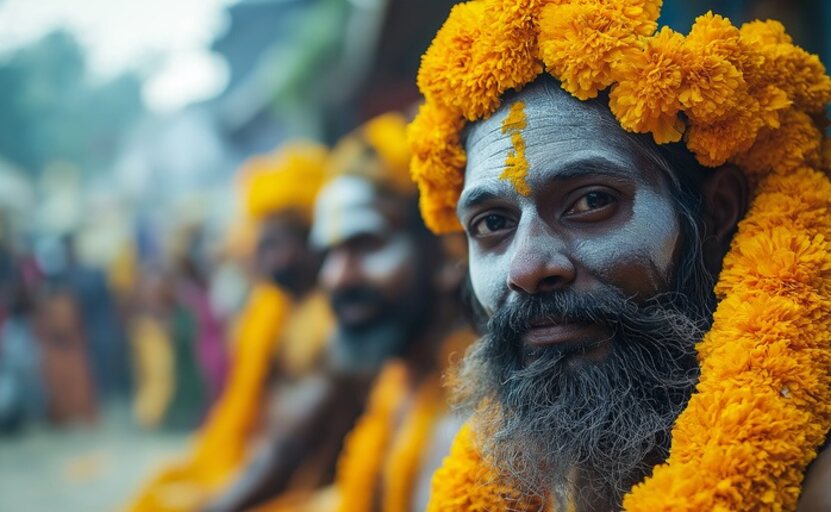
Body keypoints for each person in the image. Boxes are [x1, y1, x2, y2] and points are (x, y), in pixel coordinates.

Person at [407, 1, 831, 510]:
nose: (527, 268)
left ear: (718, 211)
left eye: (591, 202)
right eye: (493, 223)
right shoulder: (514, 476)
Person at [213, 113, 472, 512]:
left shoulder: (478, 414)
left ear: (445, 250)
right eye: (328, 253)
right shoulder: (398, 384)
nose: (336, 277)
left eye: (365, 244)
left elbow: (287, 448)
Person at [129, 141, 331, 511]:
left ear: (314, 240)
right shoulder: (269, 307)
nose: (268, 259)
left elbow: (290, 444)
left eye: (278, 243)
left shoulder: (330, 316)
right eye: (263, 245)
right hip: (257, 459)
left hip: (302, 475)